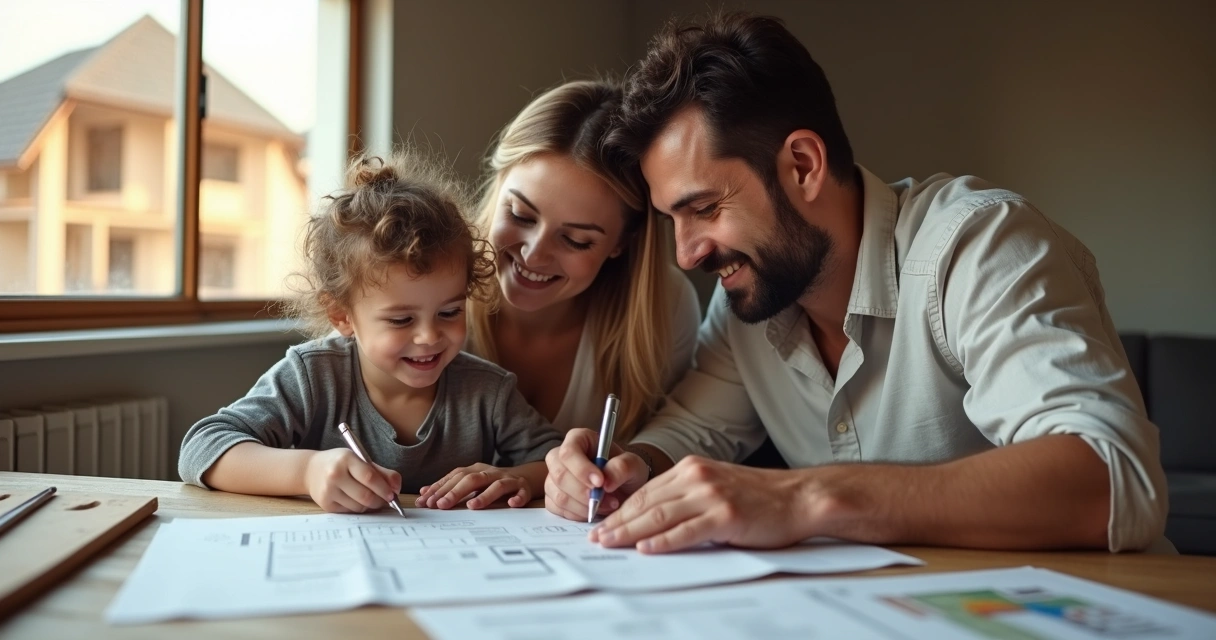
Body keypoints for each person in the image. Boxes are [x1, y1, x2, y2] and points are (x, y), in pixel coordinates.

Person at [544, 12, 1167, 554]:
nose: (685, 255)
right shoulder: (752, 302)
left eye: (704, 209)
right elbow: (689, 430)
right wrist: (629, 469)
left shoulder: (977, 244)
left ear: (803, 166)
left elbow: (1113, 477)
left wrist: (805, 497)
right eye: (671, 220)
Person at [179, 151, 562, 513]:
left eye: (449, 311)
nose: (430, 336)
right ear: (342, 315)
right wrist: (307, 471)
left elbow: (559, 461)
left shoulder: (487, 391)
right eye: (401, 320)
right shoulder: (314, 376)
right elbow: (202, 448)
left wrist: (516, 477)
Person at [426, 80, 703, 510]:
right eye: (519, 214)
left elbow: (674, 442)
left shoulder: (664, 310)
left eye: (575, 240)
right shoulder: (427, 289)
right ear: (498, 184)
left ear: (620, 245)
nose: (534, 254)